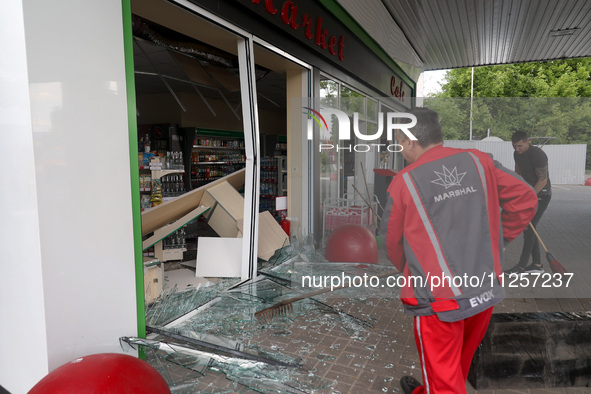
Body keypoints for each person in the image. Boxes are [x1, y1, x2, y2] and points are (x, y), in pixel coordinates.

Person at [381, 108, 537, 394]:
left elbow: (392, 244)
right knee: (456, 365)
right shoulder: (481, 161)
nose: (400, 149)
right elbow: (525, 198)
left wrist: (414, 267)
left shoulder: (403, 181)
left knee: (445, 382)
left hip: (439, 300)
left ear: (410, 141)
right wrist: (497, 242)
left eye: (399, 142)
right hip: (483, 289)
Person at [504, 131, 552, 274]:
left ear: (527, 141)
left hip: (542, 194)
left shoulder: (537, 154)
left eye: (519, 146)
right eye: (514, 146)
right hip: (528, 193)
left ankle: (522, 267)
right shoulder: (516, 154)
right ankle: (537, 265)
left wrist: (528, 195)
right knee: (531, 229)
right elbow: (518, 173)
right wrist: (515, 189)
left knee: (529, 228)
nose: (516, 149)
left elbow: (542, 180)